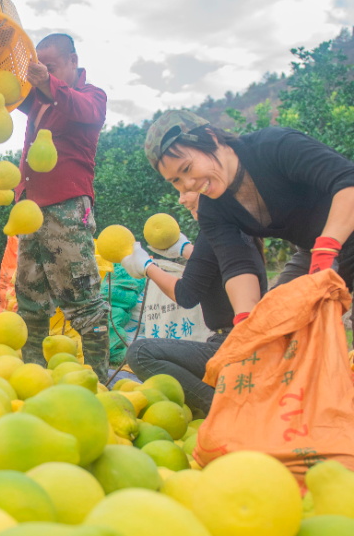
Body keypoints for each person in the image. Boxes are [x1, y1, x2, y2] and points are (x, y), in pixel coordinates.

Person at [143, 109, 354, 326]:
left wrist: (327, 247)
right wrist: (245, 320)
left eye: (187, 168)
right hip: (314, 253)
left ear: (211, 137)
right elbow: (237, 265)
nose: (188, 184)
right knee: (273, 323)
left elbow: (348, 180)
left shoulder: (273, 146)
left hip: (332, 241)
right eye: (176, 180)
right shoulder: (211, 210)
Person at [14, 33, 110, 382]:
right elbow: (6, 89)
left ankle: (98, 377)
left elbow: (85, 110)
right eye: (39, 67)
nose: (42, 73)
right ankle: (31, 376)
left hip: (67, 208)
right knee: (29, 296)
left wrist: (47, 82)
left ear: (73, 61)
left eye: (50, 66)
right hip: (30, 210)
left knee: (82, 298)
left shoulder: (90, 96)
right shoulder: (38, 100)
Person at [121, 192, 267, 413]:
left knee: (140, 352)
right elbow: (218, 265)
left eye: (186, 188)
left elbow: (186, 295)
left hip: (234, 344)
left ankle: (223, 409)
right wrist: (188, 250)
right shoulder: (237, 229)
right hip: (243, 342)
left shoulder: (214, 232)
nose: (181, 199)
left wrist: (147, 267)